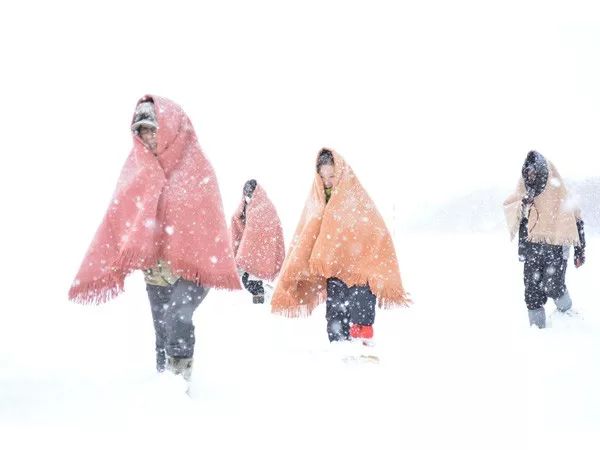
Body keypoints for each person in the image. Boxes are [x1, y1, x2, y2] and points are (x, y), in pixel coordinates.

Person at [69, 95, 240, 380]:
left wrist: (190, 250)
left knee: (177, 317)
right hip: (156, 270)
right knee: (162, 332)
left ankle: (179, 383)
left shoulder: (197, 168)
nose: (147, 137)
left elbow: (209, 225)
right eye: (142, 130)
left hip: (193, 268)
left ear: (171, 127)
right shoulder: (137, 168)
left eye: (152, 128)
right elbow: (120, 217)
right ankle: (163, 390)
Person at [271, 148, 410, 344]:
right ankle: (339, 348)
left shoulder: (355, 197)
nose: (327, 181)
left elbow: (374, 230)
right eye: (323, 176)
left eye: (332, 175)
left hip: (359, 269)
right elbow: (306, 233)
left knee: (360, 307)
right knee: (336, 311)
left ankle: (362, 345)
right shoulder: (317, 200)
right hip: (334, 268)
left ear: (342, 173)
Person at [504, 150, 586, 328]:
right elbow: (511, 206)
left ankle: (567, 313)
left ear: (542, 172)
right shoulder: (525, 188)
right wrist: (524, 203)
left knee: (554, 286)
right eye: (528, 174)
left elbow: (577, 221)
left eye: (534, 174)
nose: (531, 178)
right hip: (532, 245)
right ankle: (537, 331)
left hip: (557, 246)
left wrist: (580, 250)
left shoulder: (561, 192)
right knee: (532, 291)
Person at [230, 179, 285, 303]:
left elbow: (261, 229)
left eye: (250, 193)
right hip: (253, 252)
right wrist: (238, 217)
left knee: (251, 282)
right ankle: (262, 299)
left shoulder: (265, 206)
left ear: (256, 192)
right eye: (246, 194)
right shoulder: (247, 206)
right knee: (249, 281)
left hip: (262, 252)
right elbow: (239, 222)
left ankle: (261, 302)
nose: (248, 196)